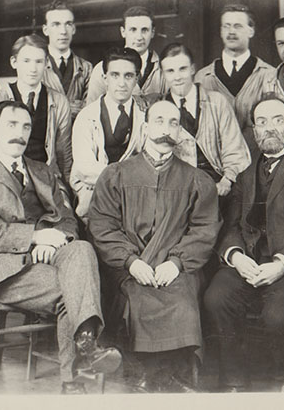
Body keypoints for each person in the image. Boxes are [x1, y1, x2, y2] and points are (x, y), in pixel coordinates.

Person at [0, 100, 122, 394]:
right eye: (12, 125)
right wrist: (33, 236)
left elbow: (68, 219)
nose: (20, 133)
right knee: (72, 290)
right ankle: (76, 375)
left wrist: (56, 236)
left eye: (27, 126)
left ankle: (85, 342)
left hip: (47, 257)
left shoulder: (41, 170)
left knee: (81, 248)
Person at [88, 100, 222, 393]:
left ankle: (175, 375)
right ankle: (144, 374)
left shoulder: (197, 180)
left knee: (183, 302)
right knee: (136, 298)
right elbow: (102, 226)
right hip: (128, 267)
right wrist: (131, 261)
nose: (166, 130)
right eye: (159, 121)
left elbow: (204, 228)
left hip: (178, 268)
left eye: (173, 123)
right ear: (146, 127)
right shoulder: (116, 175)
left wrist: (175, 263)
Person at [203, 94, 284, 392]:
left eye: (277, 120)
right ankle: (233, 379)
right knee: (215, 299)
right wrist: (236, 256)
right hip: (249, 263)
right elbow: (232, 225)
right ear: (254, 130)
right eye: (261, 122)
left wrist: (281, 265)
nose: (269, 128)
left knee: (277, 314)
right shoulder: (246, 175)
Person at [156, 42, 251, 198]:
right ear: (163, 74)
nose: (177, 77)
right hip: (176, 191)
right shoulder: (158, 109)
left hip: (218, 185)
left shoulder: (217, 102)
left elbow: (234, 148)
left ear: (193, 69)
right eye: (170, 71)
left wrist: (227, 180)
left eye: (183, 69)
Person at [0, 34, 72, 183]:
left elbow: (63, 153)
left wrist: (67, 189)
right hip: (5, 179)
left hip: (47, 178)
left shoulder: (59, 102)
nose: (33, 69)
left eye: (39, 61)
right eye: (26, 61)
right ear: (14, 62)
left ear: (47, 63)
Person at [70, 47, 147, 219]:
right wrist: (126, 179)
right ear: (105, 78)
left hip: (134, 196)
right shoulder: (86, 116)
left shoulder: (145, 116)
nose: (121, 83)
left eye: (128, 76)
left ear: (137, 78)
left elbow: (149, 162)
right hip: (93, 193)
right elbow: (84, 167)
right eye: (115, 75)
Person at [195, 4, 274, 148]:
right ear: (220, 31)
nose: (231, 31)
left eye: (237, 26)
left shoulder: (269, 75)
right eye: (226, 26)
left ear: (251, 31)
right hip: (217, 162)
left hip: (258, 158)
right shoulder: (203, 77)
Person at [86, 6, 166, 104]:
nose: (139, 37)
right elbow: (92, 110)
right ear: (123, 32)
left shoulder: (164, 68)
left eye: (144, 30)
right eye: (133, 30)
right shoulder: (102, 69)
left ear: (152, 32)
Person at [41, 0, 93, 121]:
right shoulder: (38, 65)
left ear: (74, 29)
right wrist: (73, 107)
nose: (63, 31)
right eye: (56, 24)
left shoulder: (86, 68)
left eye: (68, 24)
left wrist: (55, 107)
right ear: (45, 30)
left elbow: (90, 109)